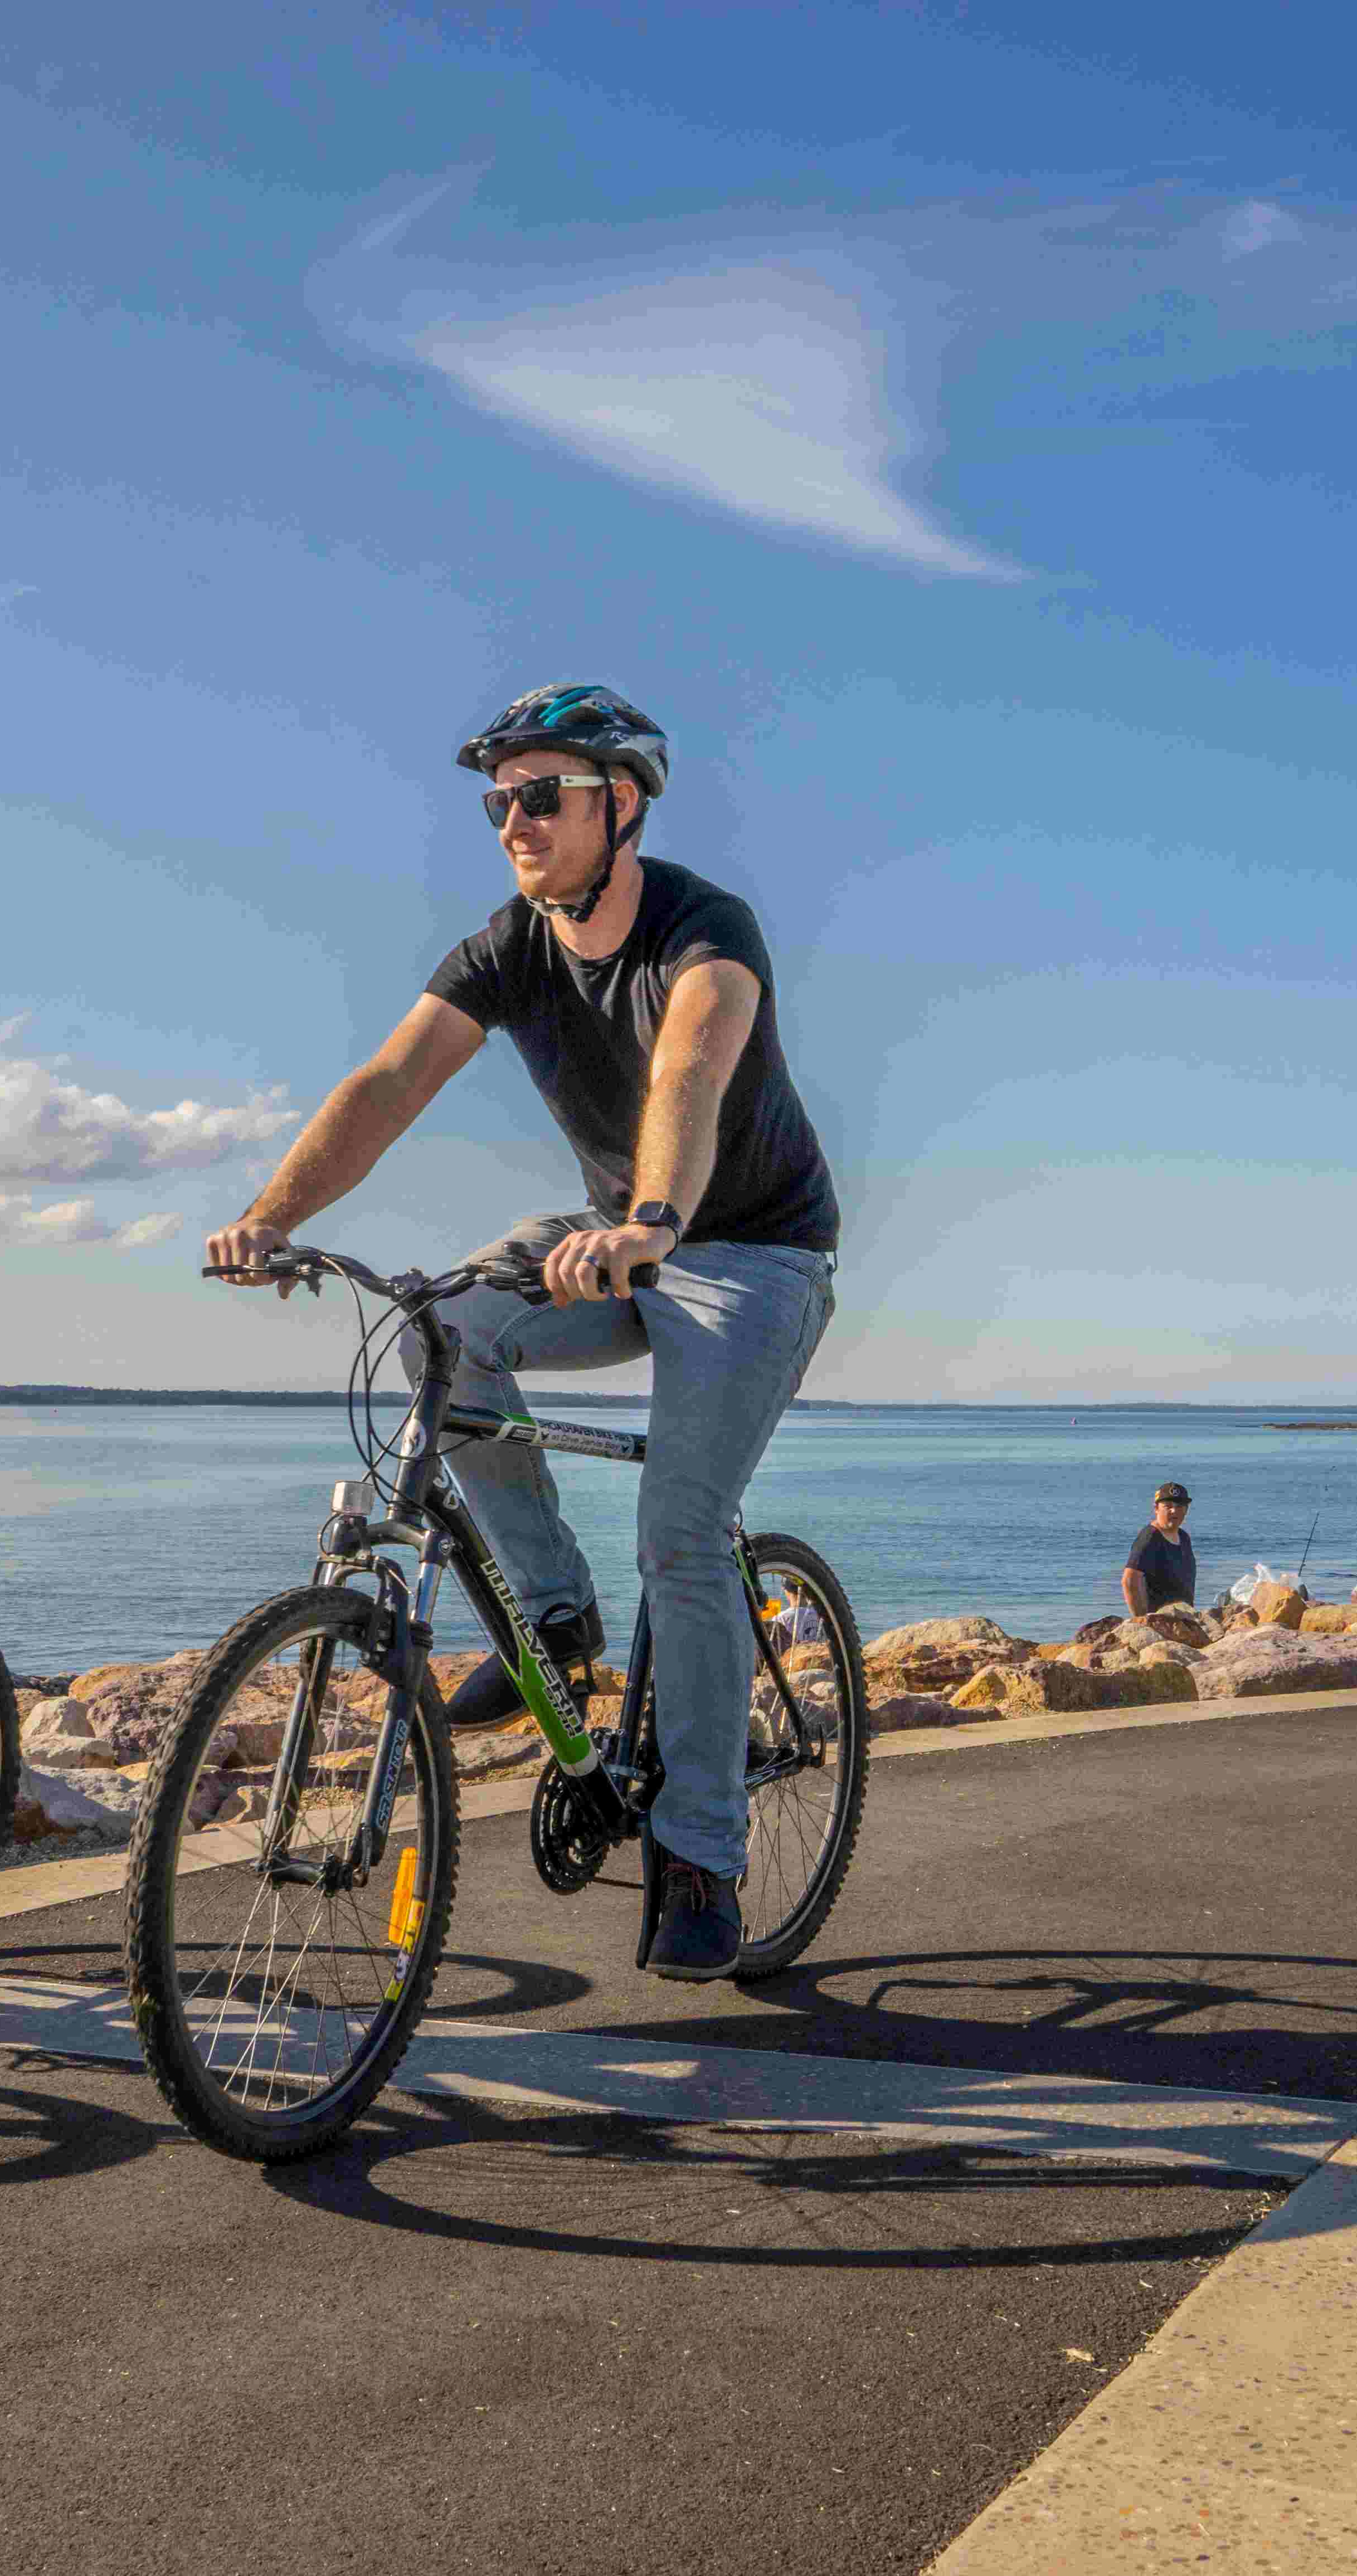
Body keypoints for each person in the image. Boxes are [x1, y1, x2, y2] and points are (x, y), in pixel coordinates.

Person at [206, 684, 838, 1981]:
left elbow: (689, 1070)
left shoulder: (702, 929)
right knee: (439, 1328)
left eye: (538, 794)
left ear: (621, 803)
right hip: (610, 1235)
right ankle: (553, 1618)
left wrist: (653, 1215)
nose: (511, 819)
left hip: (748, 1253)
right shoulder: (505, 945)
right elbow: (385, 1083)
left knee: (680, 1524)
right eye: (496, 800)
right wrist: (267, 1218)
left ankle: (700, 1851)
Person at [1122, 1484, 1195, 1617]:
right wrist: (1143, 1620)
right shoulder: (1150, 1538)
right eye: (1168, 1506)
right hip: (1160, 1622)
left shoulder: (1184, 1537)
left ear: (1186, 1510)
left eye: (1180, 1506)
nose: (1174, 1511)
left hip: (1183, 1620)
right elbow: (1129, 1581)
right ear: (1156, 1509)